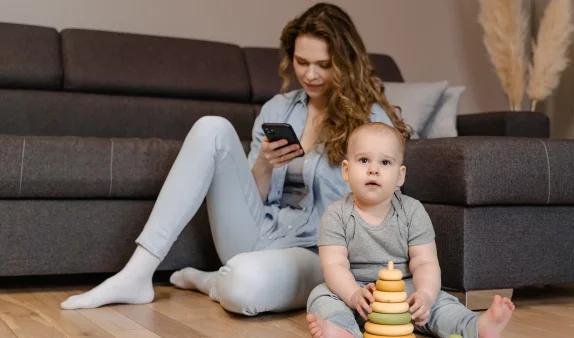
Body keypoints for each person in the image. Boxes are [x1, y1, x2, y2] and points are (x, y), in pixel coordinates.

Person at [60, 2, 411, 315]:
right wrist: (263, 163)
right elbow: (249, 199)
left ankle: (214, 282)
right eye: (302, 62)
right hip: (259, 232)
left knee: (243, 287)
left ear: (346, 64)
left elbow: (381, 202)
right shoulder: (278, 108)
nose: (310, 75)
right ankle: (138, 273)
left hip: (317, 253)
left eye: (324, 65)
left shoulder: (371, 121)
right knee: (211, 127)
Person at [305, 122, 515, 338]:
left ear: (400, 176)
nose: (373, 169)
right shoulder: (336, 214)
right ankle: (343, 330)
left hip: (404, 293)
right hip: (357, 295)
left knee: (440, 302)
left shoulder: (412, 211)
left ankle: (476, 327)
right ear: (347, 171)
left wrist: (424, 295)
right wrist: (353, 295)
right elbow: (334, 265)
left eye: (385, 162)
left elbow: (425, 262)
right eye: (364, 160)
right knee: (321, 295)